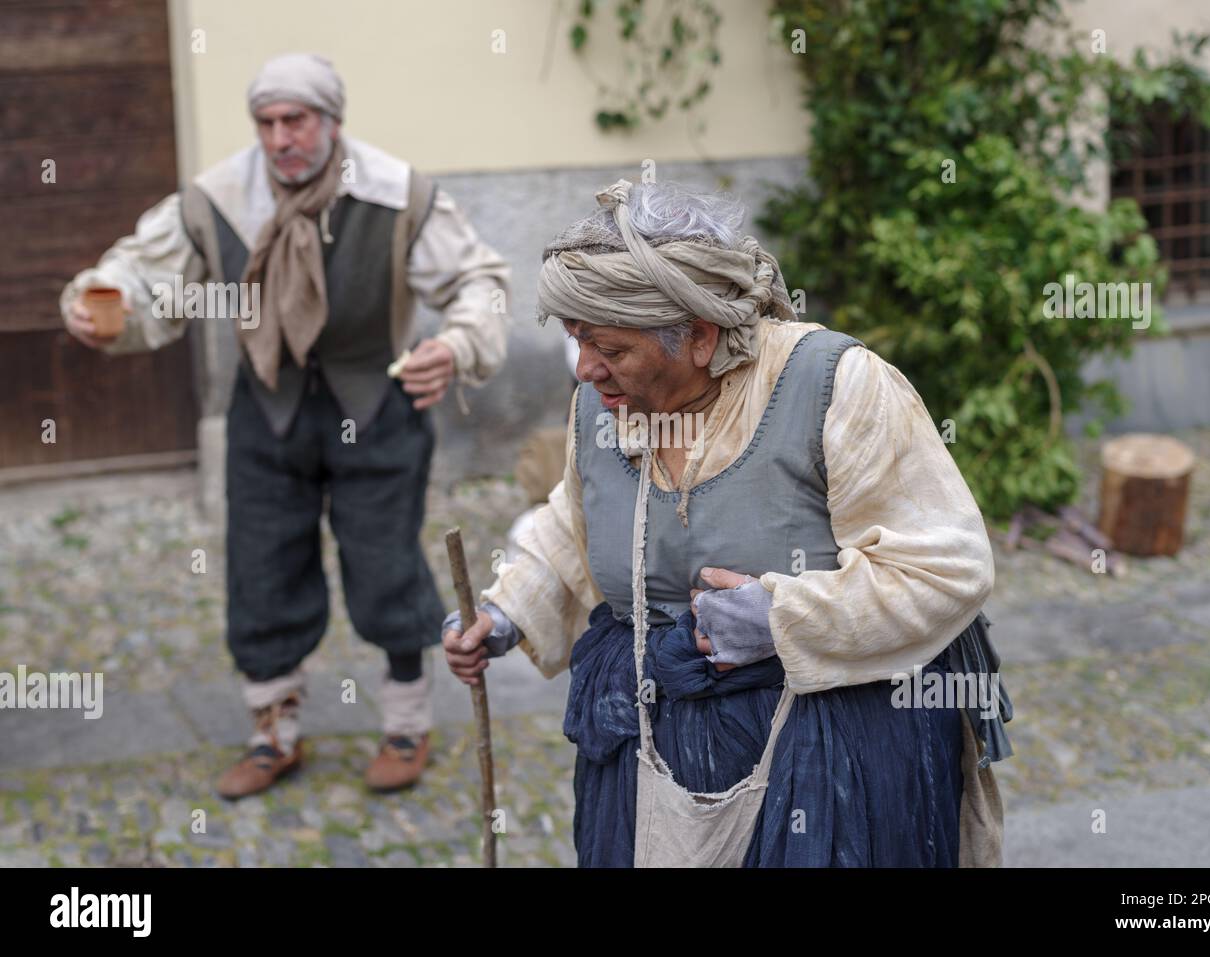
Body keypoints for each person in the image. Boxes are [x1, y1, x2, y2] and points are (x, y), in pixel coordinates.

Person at [442, 178, 1010, 866]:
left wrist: (780, 617)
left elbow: (945, 566)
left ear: (701, 337)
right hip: (649, 742)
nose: (588, 369)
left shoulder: (835, 384)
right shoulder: (601, 405)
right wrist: (506, 613)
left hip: (824, 754)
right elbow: (577, 521)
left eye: (611, 348)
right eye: (575, 341)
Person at [60, 53, 511, 798]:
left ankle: (406, 720)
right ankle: (274, 734)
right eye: (266, 123)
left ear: (332, 123)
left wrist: (456, 345)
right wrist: (104, 303)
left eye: (295, 121)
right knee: (261, 568)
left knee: (385, 566)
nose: (279, 139)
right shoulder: (218, 198)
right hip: (266, 405)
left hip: (375, 402)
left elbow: (479, 282)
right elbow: (142, 275)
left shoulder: (395, 192)